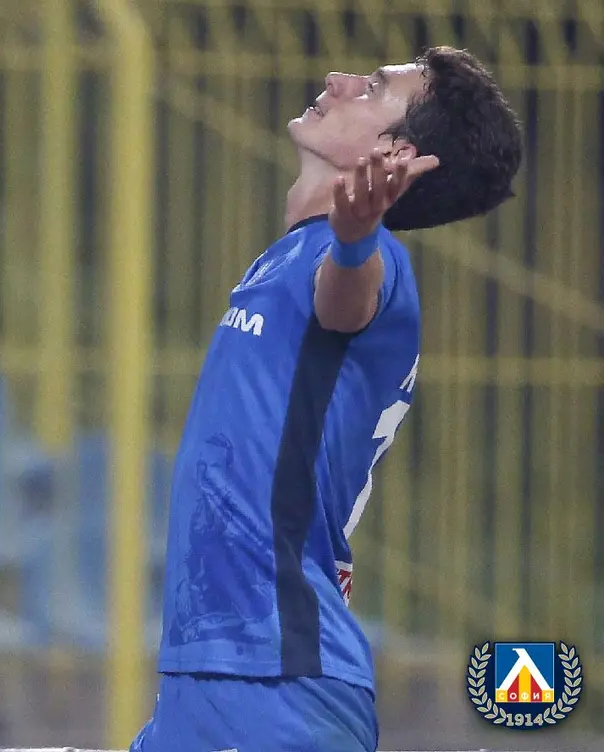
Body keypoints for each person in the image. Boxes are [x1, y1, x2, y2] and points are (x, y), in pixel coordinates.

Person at [130, 46, 523, 752]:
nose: (340, 81)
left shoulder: (372, 261)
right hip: (213, 670)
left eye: (372, 87)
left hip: (278, 679)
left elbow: (345, 301)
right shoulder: (288, 255)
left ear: (396, 153)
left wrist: (354, 239)